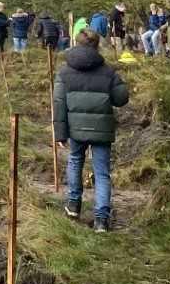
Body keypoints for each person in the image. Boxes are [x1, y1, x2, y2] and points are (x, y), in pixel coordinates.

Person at [54, 29, 129, 232]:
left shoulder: (64, 72)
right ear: (97, 46)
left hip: (75, 129)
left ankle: (73, 205)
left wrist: (60, 133)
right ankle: (101, 219)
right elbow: (121, 99)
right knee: (102, 172)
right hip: (102, 129)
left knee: (75, 161)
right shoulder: (108, 72)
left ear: (76, 43)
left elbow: (59, 103)